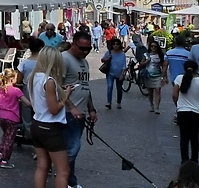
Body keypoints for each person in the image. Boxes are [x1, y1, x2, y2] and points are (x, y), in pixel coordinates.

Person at [31, 46, 75, 188]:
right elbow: (54, 109)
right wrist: (66, 95)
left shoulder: (34, 77)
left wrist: (60, 91)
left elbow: (42, 99)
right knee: (63, 171)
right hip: (50, 127)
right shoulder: (49, 81)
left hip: (37, 123)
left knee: (42, 166)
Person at [62, 32, 96, 188]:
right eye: (82, 48)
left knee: (72, 149)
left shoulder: (84, 62)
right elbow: (57, 86)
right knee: (72, 148)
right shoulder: (64, 59)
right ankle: (65, 180)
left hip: (81, 112)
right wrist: (72, 107)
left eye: (88, 48)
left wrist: (91, 109)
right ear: (73, 44)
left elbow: (85, 87)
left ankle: (69, 180)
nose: (85, 52)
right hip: (68, 113)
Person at [173, 59, 199, 163]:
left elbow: (174, 95)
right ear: (196, 70)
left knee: (184, 136)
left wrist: (178, 105)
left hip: (182, 111)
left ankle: (184, 159)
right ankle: (194, 159)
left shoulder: (179, 78)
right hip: (196, 112)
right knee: (194, 136)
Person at [0, 67, 25, 169]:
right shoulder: (16, 91)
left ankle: (0, 152)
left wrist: (3, 105)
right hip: (12, 118)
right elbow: (26, 102)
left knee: (6, 136)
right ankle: (4, 159)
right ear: (11, 79)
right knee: (10, 139)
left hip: (2, 117)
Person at [166, 37, 192, 117]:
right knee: (185, 95)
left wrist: (164, 76)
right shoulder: (188, 54)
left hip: (174, 77)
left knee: (176, 94)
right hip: (186, 77)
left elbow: (165, 65)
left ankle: (178, 109)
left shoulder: (169, 53)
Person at [101, 38, 128, 109]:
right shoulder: (109, 52)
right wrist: (108, 58)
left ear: (120, 45)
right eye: (114, 44)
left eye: (117, 44)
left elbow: (124, 65)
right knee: (110, 87)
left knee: (119, 88)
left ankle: (119, 102)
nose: (115, 46)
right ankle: (109, 102)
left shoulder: (122, 54)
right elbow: (102, 60)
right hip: (110, 73)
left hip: (119, 73)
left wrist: (123, 74)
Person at [143, 39, 166, 114]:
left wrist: (164, 76)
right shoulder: (146, 55)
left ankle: (157, 107)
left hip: (158, 75)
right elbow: (141, 64)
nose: (153, 47)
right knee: (150, 92)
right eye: (152, 46)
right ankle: (151, 105)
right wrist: (146, 62)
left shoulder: (160, 55)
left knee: (158, 90)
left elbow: (163, 66)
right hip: (148, 75)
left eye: (155, 46)